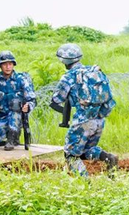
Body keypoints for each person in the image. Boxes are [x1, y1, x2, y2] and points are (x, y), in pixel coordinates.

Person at [50, 43, 118, 176]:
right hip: (99, 120)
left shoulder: (69, 76)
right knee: (87, 151)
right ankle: (109, 158)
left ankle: (84, 182)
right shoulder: (94, 72)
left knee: (71, 154)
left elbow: (57, 99)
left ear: (63, 60)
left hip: (83, 121)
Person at [0, 51, 36, 150]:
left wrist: (28, 106)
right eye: (5, 64)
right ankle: (8, 135)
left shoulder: (21, 80)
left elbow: (32, 99)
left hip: (18, 118)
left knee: (16, 104)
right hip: (4, 119)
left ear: (13, 65)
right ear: (0, 66)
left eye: (10, 64)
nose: (8, 67)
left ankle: (12, 138)